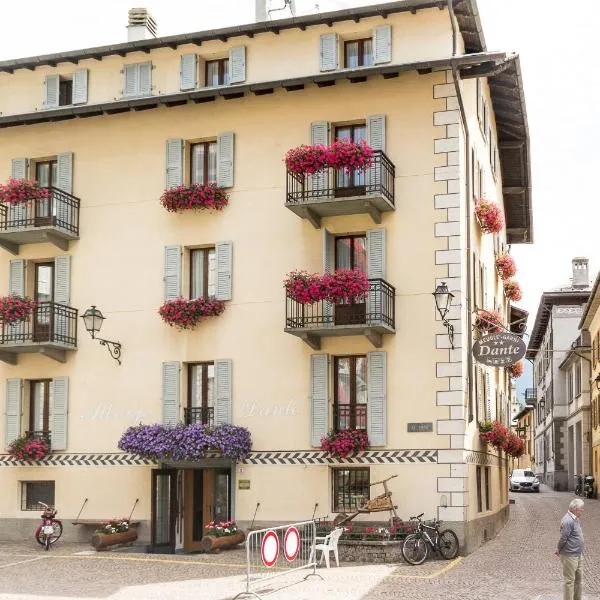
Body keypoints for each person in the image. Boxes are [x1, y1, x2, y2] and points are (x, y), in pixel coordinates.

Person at [555, 498, 585, 600]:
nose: (583, 511)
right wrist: (558, 549)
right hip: (570, 555)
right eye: (581, 509)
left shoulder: (576, 518)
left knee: (579, 579)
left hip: (578, 554)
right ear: (575, 509)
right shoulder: (568, 520)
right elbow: (563, 538)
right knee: (569, 581)